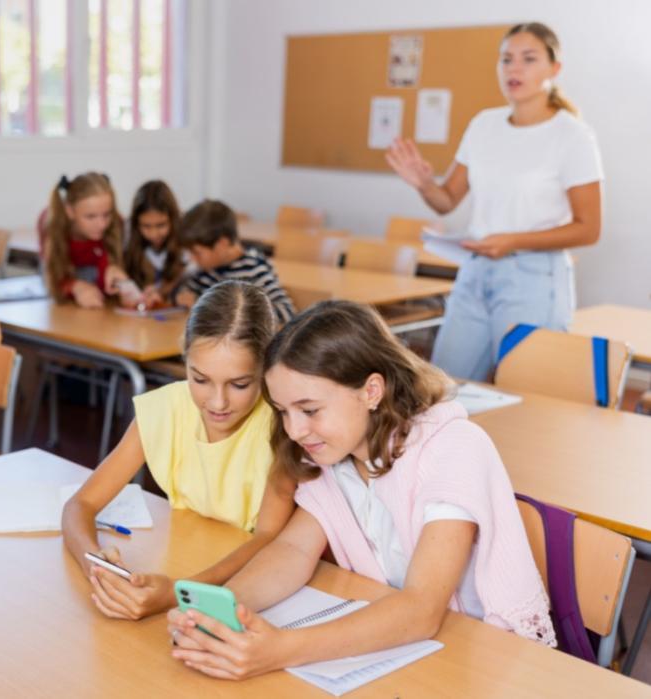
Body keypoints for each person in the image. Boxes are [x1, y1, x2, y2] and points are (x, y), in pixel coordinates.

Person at [168, 300, 554, 680]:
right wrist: (222, 615)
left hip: (484, 657)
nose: (294, 430)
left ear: (371, 392)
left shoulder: (453, 448)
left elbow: (422, 608)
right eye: (284, 412)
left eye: (310, 409)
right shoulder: (336, 457)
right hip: (410, 649)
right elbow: (292, 550)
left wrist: (280, 649)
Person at [62, 281, 295, 620]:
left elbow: (268, 539)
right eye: (200, 380)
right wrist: (95, 565)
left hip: (243, 589)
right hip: (187, 563)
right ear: (184, 357)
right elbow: (80, 505)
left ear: (266, 369)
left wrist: (179, 592)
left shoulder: (282, 426)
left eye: (240, 384)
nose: (218, 402)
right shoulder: (164, 409)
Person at [385, 22, 602, 381]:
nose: (514, 69)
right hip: (475, 273)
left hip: (534, 278)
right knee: (444, 388)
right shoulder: (484, 124)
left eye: (528, 59)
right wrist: (424, 184)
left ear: (554, 68)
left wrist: (511, 241)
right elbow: (447, 200)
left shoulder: (573, 136)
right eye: (506, 60)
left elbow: (589, 228)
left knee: (529, 391)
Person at [175, 200, 295, 323]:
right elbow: (188, 291)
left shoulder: (254, 270)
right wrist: (183, 296)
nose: (192, 258)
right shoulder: (206, 270)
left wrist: (222, 310)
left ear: (222, 244)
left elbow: (287, 312)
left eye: (197, 252)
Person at [41, 172, 130, 308]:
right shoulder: (51, 227)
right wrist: (73, 286)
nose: (102, 224)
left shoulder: (117, 225)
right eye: (90, 217)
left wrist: (118, 279)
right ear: (70, 211)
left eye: (107, 214)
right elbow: (52, 281)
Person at [123, 180, 185, 307]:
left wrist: (161, 291)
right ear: (136, 224)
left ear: (173, 219)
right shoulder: (128, 238)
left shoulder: (186, 241)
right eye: (146, 226)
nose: (153, 234)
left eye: (161, 225)